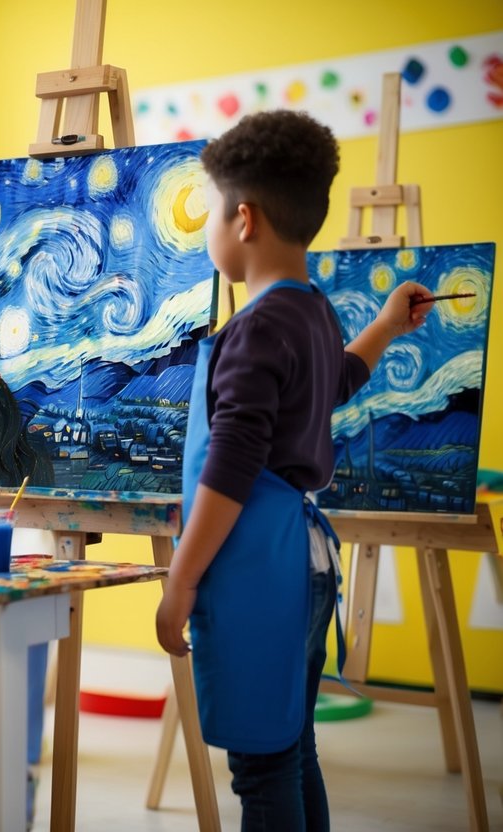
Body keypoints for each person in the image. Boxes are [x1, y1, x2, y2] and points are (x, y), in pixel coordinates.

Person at [155, 110, 430, 831]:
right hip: (304, 566)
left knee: (262, 766)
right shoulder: (313, 312)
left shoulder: (254, 328)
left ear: (241, 219)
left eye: (210, 213)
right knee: (290, 745)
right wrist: (388, 325)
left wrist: (179, 581)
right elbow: (334, 381)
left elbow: (233, 460)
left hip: (258, 568)